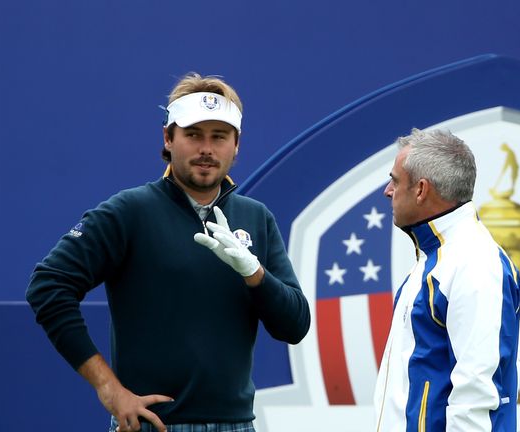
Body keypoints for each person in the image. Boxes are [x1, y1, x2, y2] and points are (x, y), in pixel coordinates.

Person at [26, 73, 311, 432]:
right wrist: (109, 389)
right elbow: (48, 285)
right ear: (168, 138)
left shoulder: (256, 218)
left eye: (219, 137)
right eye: (193, 135)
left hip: (236, 425)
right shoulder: (130, 211)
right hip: (151, 425)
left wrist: (254, 274)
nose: (206, 149)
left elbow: (295, 326)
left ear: (236, 144)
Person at [373, 128, 520, 431]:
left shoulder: (474, 262)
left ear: (421, 189)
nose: (387, 190)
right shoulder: (437, 257)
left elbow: (476, 398)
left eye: (395, 180)